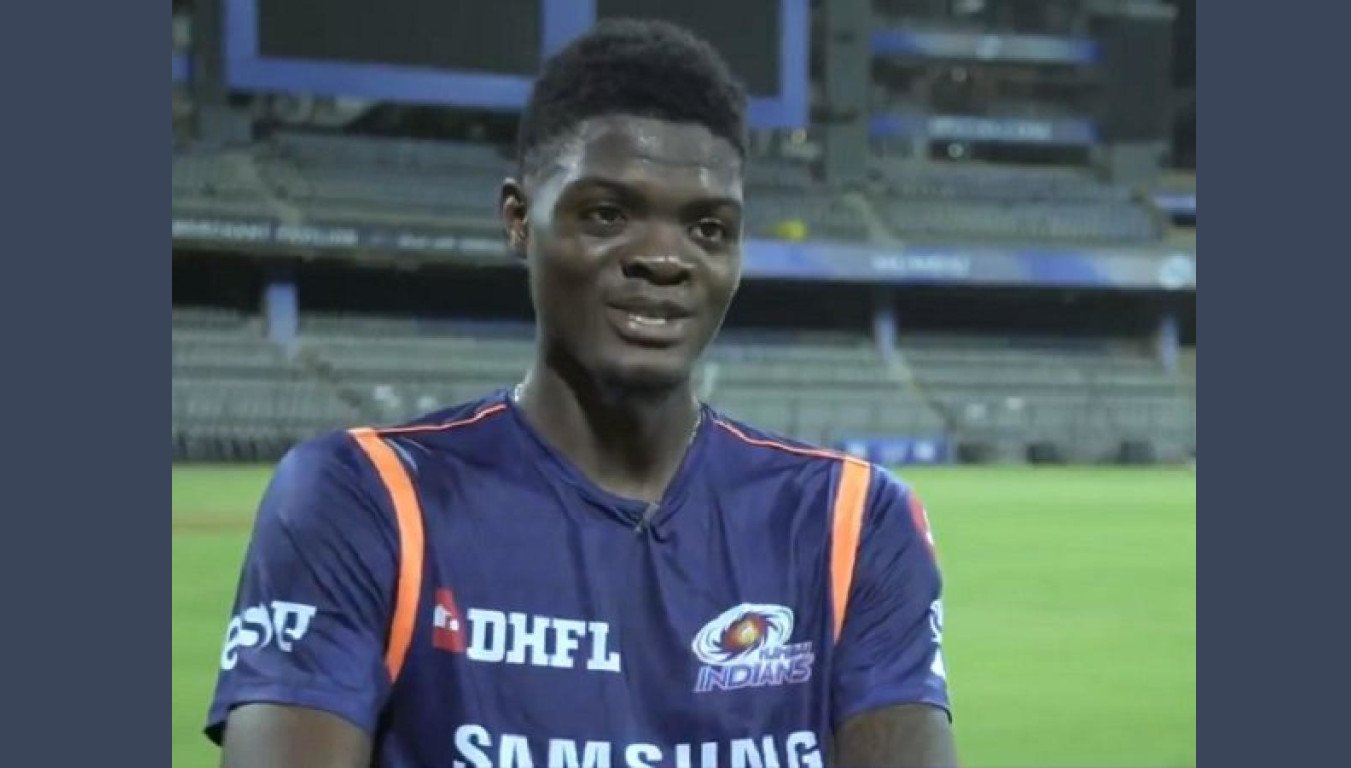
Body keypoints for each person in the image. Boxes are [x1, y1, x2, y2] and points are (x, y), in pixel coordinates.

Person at [206, 18, 956, 768]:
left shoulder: (849, 521)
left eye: (707, 227)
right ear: (519, 219)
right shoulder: (368, 499)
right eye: (607, 214)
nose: (664, 258)